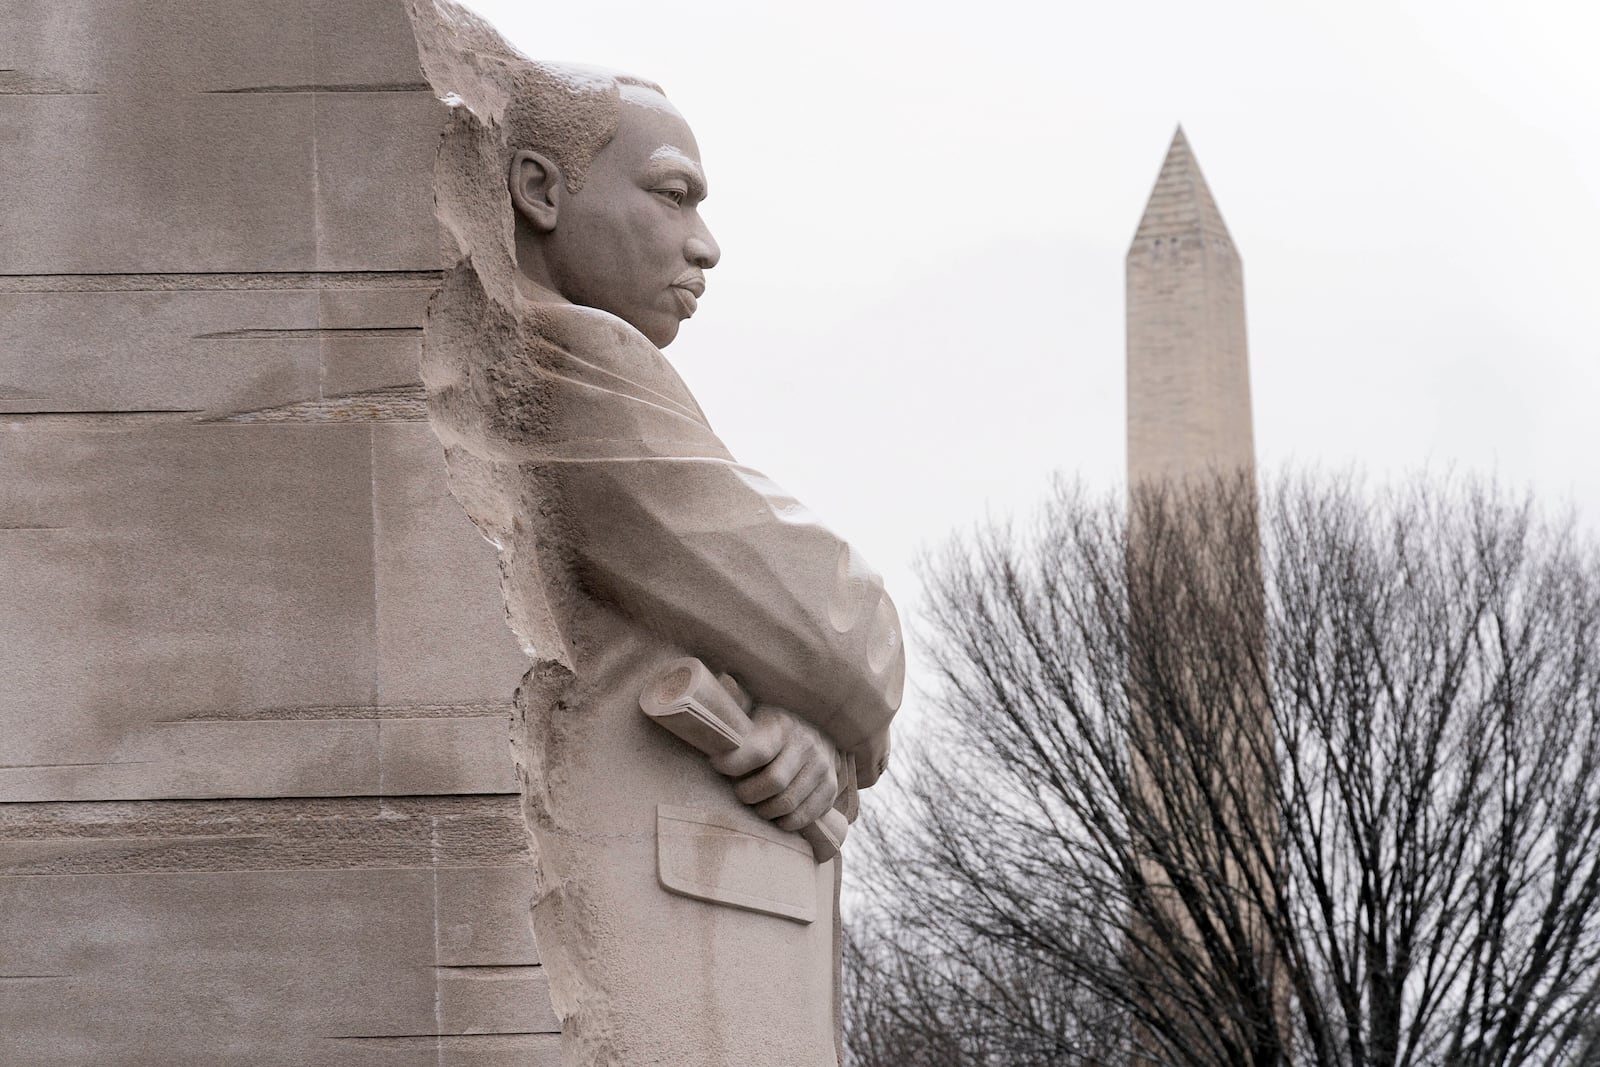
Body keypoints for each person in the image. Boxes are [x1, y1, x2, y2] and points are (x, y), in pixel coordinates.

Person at [412, 8, 902, 1063]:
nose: (705, 244)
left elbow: (772, 631)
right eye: (670, 193)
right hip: (660, 944)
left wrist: (812, 728)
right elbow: (834, 631)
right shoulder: (565, 361)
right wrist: (830, 693)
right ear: (540, 190)